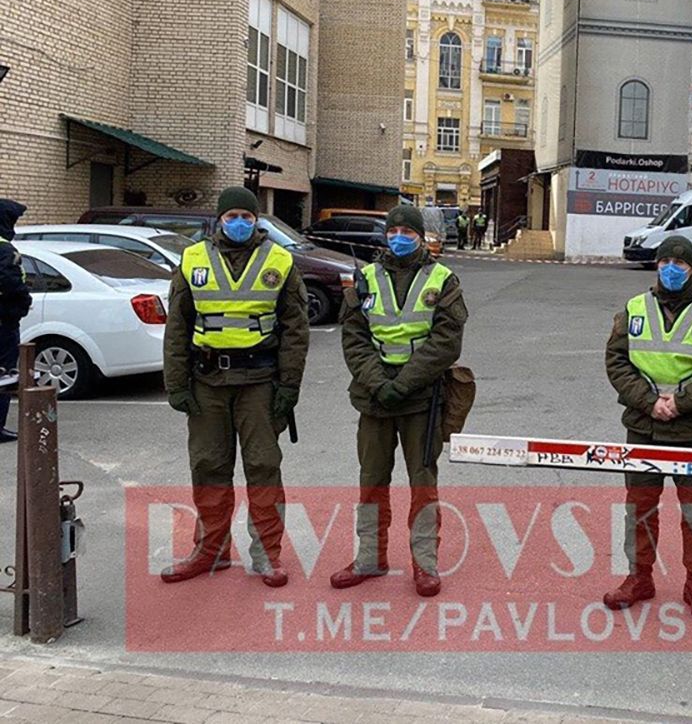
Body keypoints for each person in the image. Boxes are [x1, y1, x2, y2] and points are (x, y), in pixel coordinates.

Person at [161, 186, 310, 587]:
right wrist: (176, 383)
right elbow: (177, 326)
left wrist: (289, 386)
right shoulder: (193, 259)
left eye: (247, 217)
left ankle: (267, 555)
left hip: (259, 383)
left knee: (263, 467)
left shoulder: (280, 260)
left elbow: (296, 330)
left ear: (257, 220)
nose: (240, 223)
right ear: (219, 220)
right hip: (207, 381)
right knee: (208, 467)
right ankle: (210, 551)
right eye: (233, 217)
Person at [603, 235, 692, 623]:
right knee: (640, 509)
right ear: (656, 264)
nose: (671, 269)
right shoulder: (634, 309)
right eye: (665, 261)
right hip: (643, 424)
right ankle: (639, 577)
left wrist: (681, 402)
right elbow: (617, 362)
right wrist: (650, 402)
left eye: (679, 264)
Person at [330, 204, 468, 594]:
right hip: (375, 400)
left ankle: (425, 564)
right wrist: (379, 383)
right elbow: (354, 338)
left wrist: (403, 383)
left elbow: (445, 343)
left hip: (421, 399)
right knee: (371, 481)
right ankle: (369, 558)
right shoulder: (365, 278)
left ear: (421, 237)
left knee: (423, 484)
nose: (399, 238)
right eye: (394, 232)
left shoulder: (443, 279)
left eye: (408, 232)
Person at [0, 200, 32, 442]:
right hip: (4, 321)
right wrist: (24, 302)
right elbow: (11, 283)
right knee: (5, 375)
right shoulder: (5, 250)